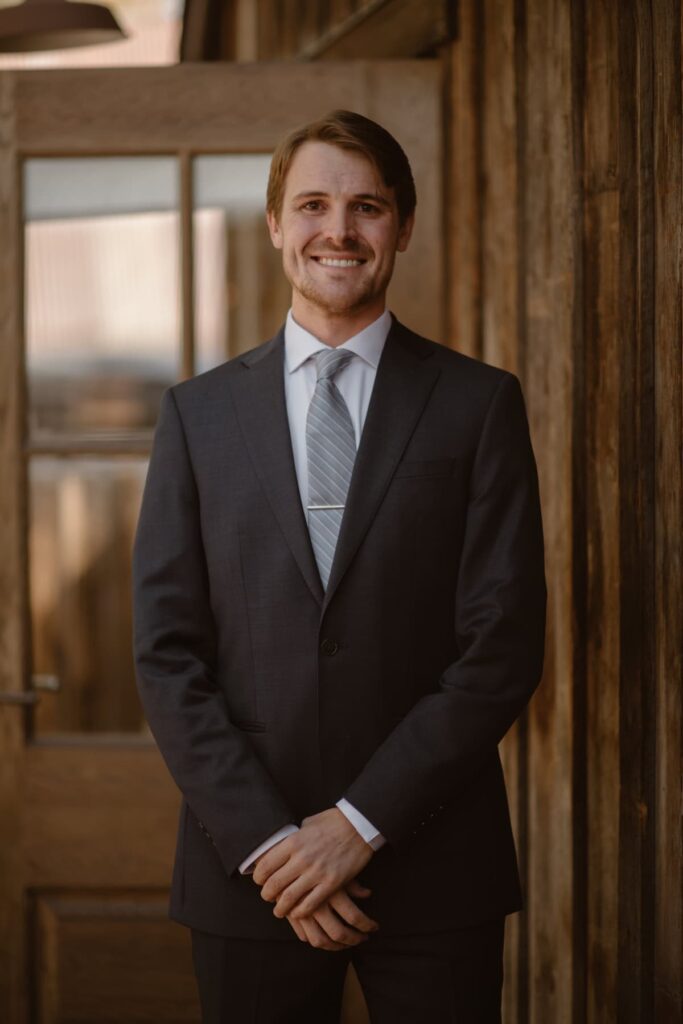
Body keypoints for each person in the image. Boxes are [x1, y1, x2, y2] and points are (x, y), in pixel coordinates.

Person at [132, 109, 547, 1023]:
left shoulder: (477, 404)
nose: (339, 230)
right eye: (313, 204)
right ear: (275, 224)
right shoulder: (196, 418)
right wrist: (275, 845)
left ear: (400, 226)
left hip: (436, 866)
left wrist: (356, 825)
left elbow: (501, 646)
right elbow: (167, 656)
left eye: (366, 207)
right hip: (252, 874)